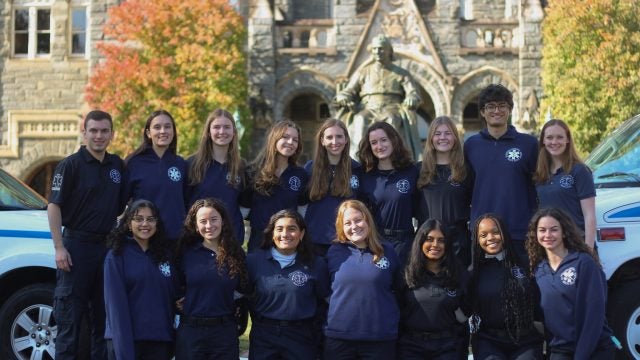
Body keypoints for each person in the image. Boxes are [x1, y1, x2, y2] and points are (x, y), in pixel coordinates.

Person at [47, 110, 125, 359]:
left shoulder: (117, 166)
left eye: (104, 131)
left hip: (106, 250)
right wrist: (59, 247)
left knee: (102, 322)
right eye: (93, 131)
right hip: (75, 249)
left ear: (112, 134)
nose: (99, 136)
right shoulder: (70, 165)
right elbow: (54, 206)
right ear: (85, 133)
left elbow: (125, 206)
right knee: (70, 320)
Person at [526, 208, 616, 359]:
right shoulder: (538, 270)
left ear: (564, 232)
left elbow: (594, 315)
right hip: (560, 350)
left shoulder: (584, 263)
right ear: (535, 234)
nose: (547, 235)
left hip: (593, 347)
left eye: (554, 230)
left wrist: (581, 355)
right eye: (542, 230)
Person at [464, 84, 538, 261]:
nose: (496, 110)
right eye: (490, 106)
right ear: (482, 112)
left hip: (519, 233)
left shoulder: (529, 145)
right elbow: (467, 189)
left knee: (523, 287)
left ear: (510, 109)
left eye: (502, 106)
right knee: (485, 288)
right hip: (484, 236)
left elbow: (539, 186)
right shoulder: (471, 145)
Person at [246, 209, 330, 360]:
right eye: (279, 229)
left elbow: (323, 301)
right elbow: (246, 296)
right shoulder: (253, 261)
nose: (285, 234)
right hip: (263, 335)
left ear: (302, 234)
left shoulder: (317, 264)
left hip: (301, 336)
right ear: (272, 233)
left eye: (292, 229)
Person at [324, 200, 402, 360]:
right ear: (341, 228)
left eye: (358, 220)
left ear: (368, 220)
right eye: (347, 223)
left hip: (379, 338)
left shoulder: (388, 251)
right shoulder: (333, 252)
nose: (354, 227)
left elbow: (399, 290)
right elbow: (324, 291)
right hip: (340, 338)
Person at [104, 199, 178, 360]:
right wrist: (124, 352)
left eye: (151, 219)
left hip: (160, 343)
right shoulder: (116, 256)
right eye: (139, 219)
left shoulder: (165, 256)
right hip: (126, 343)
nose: (145, 223)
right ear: (129, 224)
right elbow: (115, 308)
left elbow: (174, 296)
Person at [175, 198, 248, 360]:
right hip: (191, 332)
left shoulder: (236, 254)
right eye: (203, 221)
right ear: (195, 225)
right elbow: (175, 288)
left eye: (214, 219)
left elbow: (244, 289)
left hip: (224, 333)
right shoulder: (185, 254)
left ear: (223, 221)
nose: (209, 226)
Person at [335, 34, 423, 158]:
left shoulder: (402, 73)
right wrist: (343, 96)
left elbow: (413, 92)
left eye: (381, 48)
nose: (378, 52)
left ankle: (393, 160)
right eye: (375, 48)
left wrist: (411, 98)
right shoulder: (363, 71)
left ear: (389, 51)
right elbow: (348, 90)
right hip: (368, 107)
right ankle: (357, 160)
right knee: (360, 120)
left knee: (391, 119)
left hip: (392, 107)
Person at [468, 214, 543, 360]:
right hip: (489, 340)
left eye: (495, 232)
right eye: (483, 235)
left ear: (504, 233)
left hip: (525, 339)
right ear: (477, 240)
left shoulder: (526, 263)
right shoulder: (473, 272)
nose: (490, 238)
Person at [398, 219, 470, 359]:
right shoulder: (405, 274)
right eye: (429, 239)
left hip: (447, 347)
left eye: (441, 240)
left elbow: (464, 314)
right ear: (420, 242)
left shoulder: (459, 275)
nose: (435, 245)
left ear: (447, 245)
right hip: (410, 347)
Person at [416, 116, 473, 267]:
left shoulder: (466, 171)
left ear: (455, 137)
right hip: (427, 242)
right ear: (431, 139)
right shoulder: (418, 171)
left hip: (457, 243)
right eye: (437, 134)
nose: (443, 138)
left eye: (447, 133)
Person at [124, 109, 188, 243]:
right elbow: (121, 203)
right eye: (157, 127)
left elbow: (186, 202)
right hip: (143, 240)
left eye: (167, 127)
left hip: (175, 240)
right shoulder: (134, 163)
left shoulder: (181, 164)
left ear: (173, 131)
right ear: (148, 133)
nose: (163, 131)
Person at [358, 121, 417, 263]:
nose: (379, 146)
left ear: (393, 140)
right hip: (376, 243)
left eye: (384, 140)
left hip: (405, 243)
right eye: (374, 142)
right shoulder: (365, 175)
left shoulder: (411, 171)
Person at [243, 120, 308, 251]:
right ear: (274, 139)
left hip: (288, 244)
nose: (290, 142)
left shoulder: (301, 175)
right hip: (258, 243)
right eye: (285, 137)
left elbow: (302, 214)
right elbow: (242, 212)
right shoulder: (252, 172)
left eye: (295, 140)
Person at [534, 119, 596, 248]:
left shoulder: (579, 170)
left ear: (567, 140)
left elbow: (589, 215)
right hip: (550, 247)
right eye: (549, 137)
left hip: (576, 245)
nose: (554, 142)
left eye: (559, 137)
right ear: (543, 141)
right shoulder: (540, 174)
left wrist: (588, 250)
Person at [304, 119, 361, 256]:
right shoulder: (310, 169)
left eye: (339, 136)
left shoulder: (357, 169)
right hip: (314, 242)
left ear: (346, 139)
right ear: (322, 141)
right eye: (329, 137)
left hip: (347, 243)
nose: (335, 142)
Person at [188, 109, 246, 244]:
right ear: (208, 132)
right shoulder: (192, 165)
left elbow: (244, 205)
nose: (222, 132)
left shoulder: (241, 167)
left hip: (231, 242)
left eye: (227, 127)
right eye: (216, 127)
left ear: (234, 132)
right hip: (198, 242)